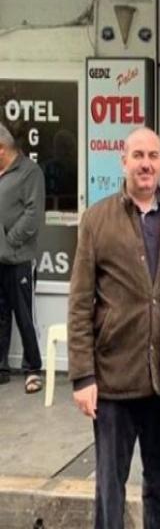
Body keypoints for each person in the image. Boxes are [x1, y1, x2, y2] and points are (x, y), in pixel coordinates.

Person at [68, 127, 160, 528]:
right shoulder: (97, 220)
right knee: (110, 486)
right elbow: (80, 302)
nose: (146, 164)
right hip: (112, 382)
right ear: (123, 162)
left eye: (153, 156)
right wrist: (83, 376)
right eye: (138, 156)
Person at [0, 122, 45, 392]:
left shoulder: (30, 172)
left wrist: (9, 240)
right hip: (0, 258)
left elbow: (33, 214)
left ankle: (33, 368)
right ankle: (2, 368)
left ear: (2, 149)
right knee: (0, 315)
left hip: (19, 259)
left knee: (24, 315)